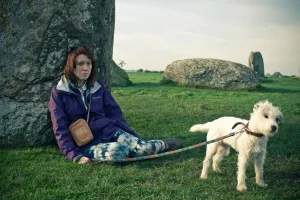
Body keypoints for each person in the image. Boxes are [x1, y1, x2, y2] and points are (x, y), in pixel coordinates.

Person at [48, 46, 182, 164]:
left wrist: (131, 136)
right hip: (86, 142)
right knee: (118, 152)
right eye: (80, 64)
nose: (86, 68)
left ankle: (164, 144)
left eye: (89, 64)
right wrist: (74, 155)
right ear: (72, 66)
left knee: (142, 149)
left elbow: (115, 113)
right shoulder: (60, 92)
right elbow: (59, 127)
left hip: (109, 130)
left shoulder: (97, 87)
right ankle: (130, 149)